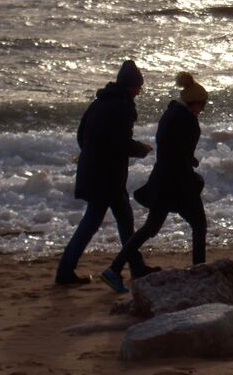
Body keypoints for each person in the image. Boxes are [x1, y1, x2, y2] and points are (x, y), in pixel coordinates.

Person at [99, 72, 209, 293]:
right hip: (178, 185)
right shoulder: (185, 120)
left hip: (163, 183)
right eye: (202, 105)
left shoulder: (171, 114)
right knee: (199, 226)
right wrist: (191, 171)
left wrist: (189, 159)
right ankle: (199, 274)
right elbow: (178, 154)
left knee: (149, 228)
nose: (202, 110)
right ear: (193, 103)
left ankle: (114, 269)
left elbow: (172, 149)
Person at [55, 59, 157, 286]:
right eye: (139, 87)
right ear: (131, 86)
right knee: (117, 221)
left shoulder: (99, 103)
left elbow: (81, 136)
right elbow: (120, 142)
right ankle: (134, 267)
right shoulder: (124, 106)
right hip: (108, 177)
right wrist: (141, 149)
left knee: (100, 221)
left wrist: (92, 154)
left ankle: (66, 270)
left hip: (92, 172)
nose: (140, 91)